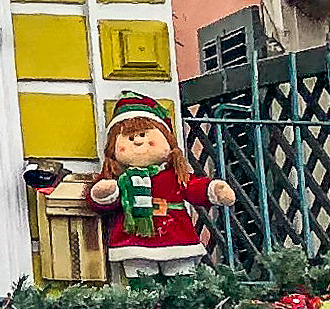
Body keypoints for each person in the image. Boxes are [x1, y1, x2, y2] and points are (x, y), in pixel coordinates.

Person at [85, 95, 232, 270]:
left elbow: (192, 186)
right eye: (130, 138)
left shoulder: (172, 175)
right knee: (141, 278)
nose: (138, 141)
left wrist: (213, 189)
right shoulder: (121, 179)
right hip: (134, 241)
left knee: (181, 275)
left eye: (143, 135)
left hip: (175, 236)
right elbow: (103, 204)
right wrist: (105, 193)